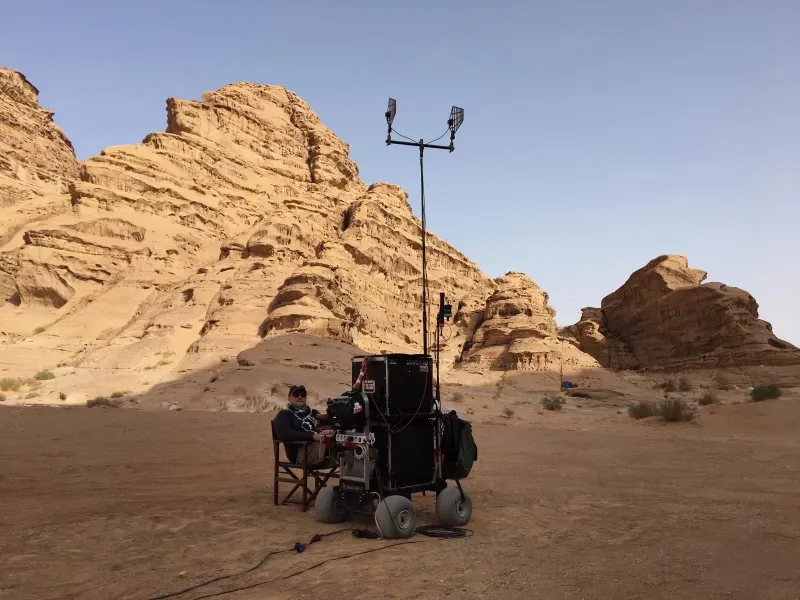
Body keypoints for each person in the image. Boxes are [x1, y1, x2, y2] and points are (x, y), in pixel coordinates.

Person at [272, 384, 334, 466]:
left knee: (334, 431)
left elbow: (321, 428)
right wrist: (312, 436)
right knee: (327, 441)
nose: (300, 397)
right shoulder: (284, 415)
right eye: (296, 395)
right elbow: (285, 434)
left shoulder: (313, 413)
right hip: (301, 454)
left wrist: (327, 431)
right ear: (289, 398)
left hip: (319, 448)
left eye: (303, 395)